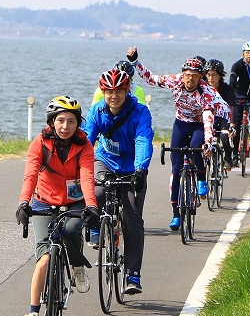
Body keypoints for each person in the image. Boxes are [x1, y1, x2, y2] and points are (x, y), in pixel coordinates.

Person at [16, 96, 100, 316]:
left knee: (73, 231)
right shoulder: (39, 144)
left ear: (78, 123)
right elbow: (30, 175)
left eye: (71, 121)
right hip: (44, 203)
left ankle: (77, 266)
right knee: (43, 258)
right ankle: (33, 313)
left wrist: (91, 205)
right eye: (61, 120)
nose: (65, 126)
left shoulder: (84, 145)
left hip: (74, 203)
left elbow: (86, 177)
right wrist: (24, 203)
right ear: (52, 122)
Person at [128, 46, 230, 230]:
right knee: (175, 168)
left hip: (198, 124)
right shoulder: (174, 81)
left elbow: (208, 118)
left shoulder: (206, 92)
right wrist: (136, 62)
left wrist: (207, 142)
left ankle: (201, 179)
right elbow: (152, 78)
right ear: (182, 74)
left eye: (195, 76)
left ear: (201, 78)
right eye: (187, 75)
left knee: (196, 147)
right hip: (181, 124)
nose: (190, 79)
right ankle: (175, 213)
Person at [81, 68, 153, 294]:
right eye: (109, 91)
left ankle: (133, 274)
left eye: (119, 91)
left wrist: (141, 169)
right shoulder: (96, 111)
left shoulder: (140, 112)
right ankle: (95, 226)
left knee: (132, 218)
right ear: (103, 92)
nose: (114, 96)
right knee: (97, 194)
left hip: (132, 167)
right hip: (105, 161)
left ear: (127, 89)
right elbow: (86, 140)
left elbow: (143, 139)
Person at [203, 59, 236, 170]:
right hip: (207, 119)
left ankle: (227, 156)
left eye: (214, 75)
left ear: (220, 76)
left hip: (222, 119)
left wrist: (232, 124)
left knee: (224, 135)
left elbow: (231, 106)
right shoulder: (202, 88)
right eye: (208, 75)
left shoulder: (227, 89)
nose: (211, 78)